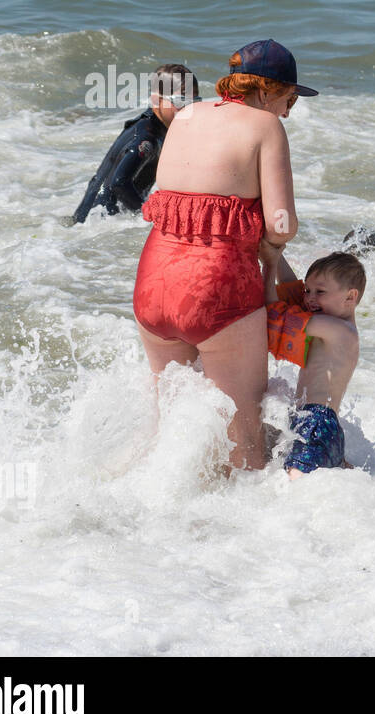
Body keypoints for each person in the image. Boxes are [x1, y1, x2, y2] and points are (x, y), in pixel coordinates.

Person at [133, 39, 317, 471]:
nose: (289, 110)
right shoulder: (266, 126)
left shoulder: (186, 116)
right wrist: (271, 252)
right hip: (217, 290)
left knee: (171, 431)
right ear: (267, 89)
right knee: (246, 444)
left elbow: (174, 194)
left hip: (154, 283)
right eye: (289, 98)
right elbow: (281, 224)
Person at [261, 246, 364, 477]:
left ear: (350, 296)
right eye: (308, 290)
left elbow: (275, 314)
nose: (309, 298)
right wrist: (275, 254)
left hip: (317, 422)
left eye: (320, 292)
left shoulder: (339, 330)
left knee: (296, 484)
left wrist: (268, 267)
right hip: (313, 421)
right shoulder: (329, 320)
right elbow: (292, 289)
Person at [71, 64, 199, 223]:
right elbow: (119, 183)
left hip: (92, 220)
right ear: (157, 100)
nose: (187, 108)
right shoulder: (146, 137)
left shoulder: (157, 126)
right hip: (98, 222)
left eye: (194, 101)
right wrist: (153, 217)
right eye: (181, 101)